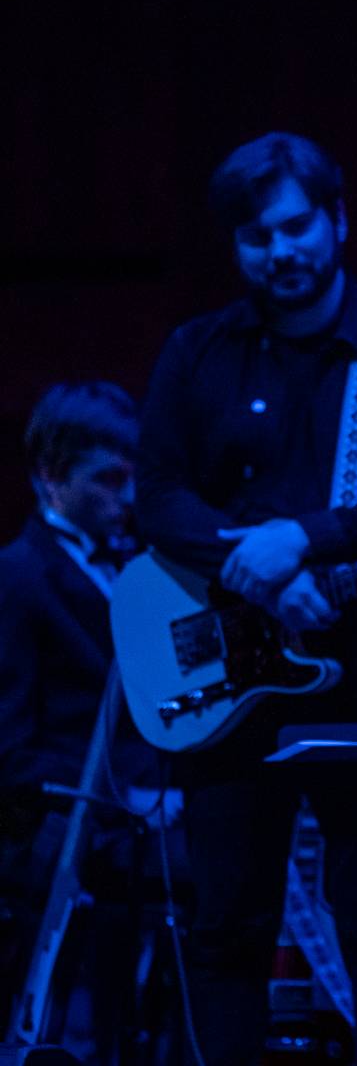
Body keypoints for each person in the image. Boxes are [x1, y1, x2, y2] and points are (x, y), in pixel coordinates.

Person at [135, 132, 357, 1064]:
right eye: (255, 236)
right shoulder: (195, 352)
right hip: (228, 684)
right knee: (224, 929)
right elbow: (156, 492)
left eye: (295, 227)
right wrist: (253, 568)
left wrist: (306, 539)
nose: (279, 252)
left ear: (337, 222)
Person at [0, 382, 163, 1061]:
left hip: (144, 828)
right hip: (69, 843)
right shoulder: (17, 577)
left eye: (135, 480)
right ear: (50, 476)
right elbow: (12, 750)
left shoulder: (136, 565)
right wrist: (131, 799)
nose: (127, 499)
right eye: (109, 480)